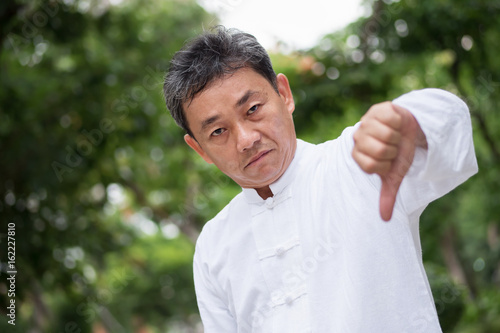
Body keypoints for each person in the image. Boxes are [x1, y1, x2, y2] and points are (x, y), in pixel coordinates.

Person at [163, 26, 478, 333]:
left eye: (253, 109)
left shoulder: (358, 162)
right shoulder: (213, 247)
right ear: (199, 149)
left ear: (284, 94)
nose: (245, 139)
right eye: (218, 131)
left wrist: (411, 121)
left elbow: (448, 119)